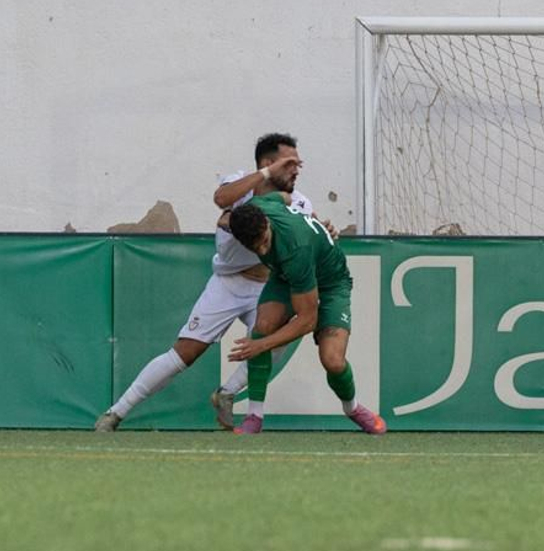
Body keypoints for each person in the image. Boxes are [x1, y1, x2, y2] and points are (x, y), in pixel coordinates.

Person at [94, 133, 312, 432]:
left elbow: (306, 232)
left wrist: (324, 228)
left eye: (298, 164)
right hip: (228, 283)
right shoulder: (240, 183)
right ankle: (115, 413)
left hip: (267, 286)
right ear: (268, 163)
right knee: (184, 353)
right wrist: (261, 178)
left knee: (273, 342)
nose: (296, 170)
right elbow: (221, 200)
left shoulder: (299, 201)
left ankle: (227, 393)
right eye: (289, 163)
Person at [225, 195, 385, 436]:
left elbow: (308, 320)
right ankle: (254, 416)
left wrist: (261, 345)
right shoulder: (260, 206)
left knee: (332, 360)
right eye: (254, 247)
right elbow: (283, 196)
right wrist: (314, 222)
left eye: (264, 241)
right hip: (286, 276)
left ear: (267, 223)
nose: (261, 250)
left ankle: (353, 409)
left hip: (330, 283)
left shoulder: (294, 247)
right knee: (263, 326)